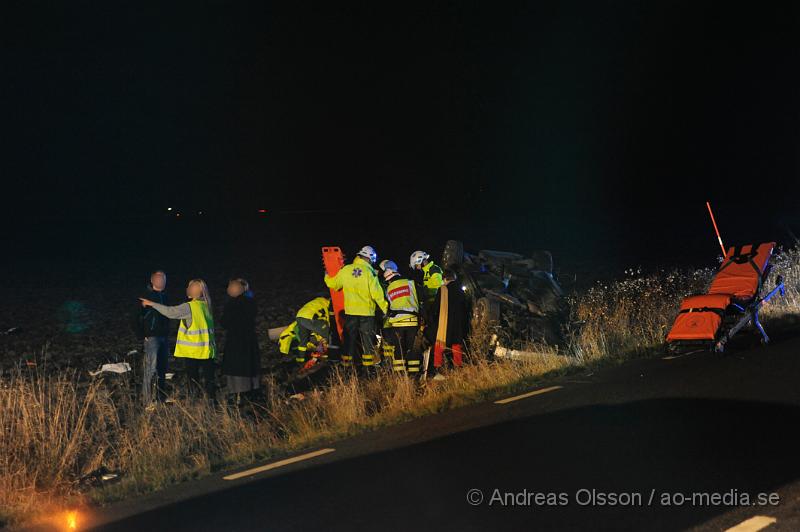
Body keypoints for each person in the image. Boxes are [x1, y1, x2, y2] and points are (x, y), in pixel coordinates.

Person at [140, 279, 217, 399]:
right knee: (209, 380)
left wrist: (152, 304)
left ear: (195, 291)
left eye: (190, 287)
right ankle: (212, 404)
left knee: (193, 380)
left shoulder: (190, 307)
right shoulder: (206, 305)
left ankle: (195, 404)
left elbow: (171, 312)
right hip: (208, 350)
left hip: (194, 351)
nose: (187, 289)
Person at [324, 245, 388, 368]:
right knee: (367, 341)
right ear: (369, 258)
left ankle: (346, 368)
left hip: (351, 313)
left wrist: (326, 276)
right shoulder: (369, 273)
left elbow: (334, 284)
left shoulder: (346, 270)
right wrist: (386, 309)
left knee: (349, 341)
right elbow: (377, 294)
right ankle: (368, 369)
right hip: (367, 314)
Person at [133, 270, 170, 405]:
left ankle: (161, 398)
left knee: (162, 368)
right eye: (160, 279)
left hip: (164, 337)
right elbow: (135, 317)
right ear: (153, 280)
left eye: (164, 279)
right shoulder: (145, 297)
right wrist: (142, 335)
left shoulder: (165, 296)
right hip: (152, 338)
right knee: (150, 369)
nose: (162, 282)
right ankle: (147, 400)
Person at [220, 278, 260, 401]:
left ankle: (239, 396)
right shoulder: (251, 302)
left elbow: (224, 322)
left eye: (231, 286)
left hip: (236, 341)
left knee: (237, 370)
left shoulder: (232, 304)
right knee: (249, 368)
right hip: (249, 341)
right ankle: (252, 393)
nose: (228, 289)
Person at [425, 269, 468, 380]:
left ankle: (437, 370)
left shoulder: (442, 289)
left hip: (444, 323)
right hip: (458, 324)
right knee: (456, 345)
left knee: (439, 345)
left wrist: (429, 319)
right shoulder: (461, 292)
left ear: (444, 279)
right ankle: (458, 369)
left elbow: (436, 308)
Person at [381, 261, 422, 375]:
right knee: (413, 349)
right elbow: (421, 297)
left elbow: (387, 306)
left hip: (397, 324)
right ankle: (414, 375)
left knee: (399, 350)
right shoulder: (410, 283)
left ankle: (400, 376)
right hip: (412, 321)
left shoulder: (388, 289)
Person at [295, 296, 332, 364]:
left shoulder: (316, 301)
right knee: (326, 332)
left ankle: (300, 359)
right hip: (309, 317)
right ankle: (323, 353)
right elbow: (327, 318)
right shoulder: (326, 303)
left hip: (299, 316)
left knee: (303, 340)